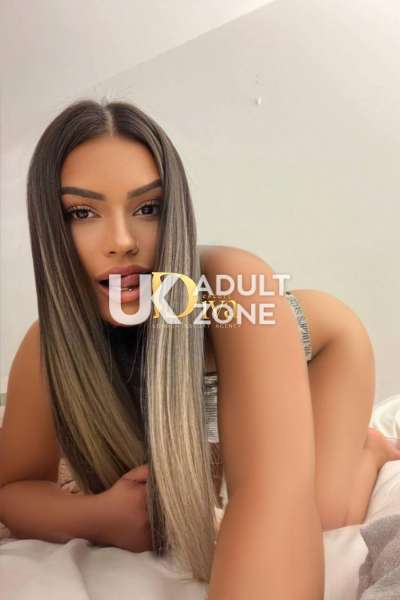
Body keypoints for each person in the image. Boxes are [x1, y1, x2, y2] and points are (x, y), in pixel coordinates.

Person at [1, 99, 399, 600]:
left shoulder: (232, 286)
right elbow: (12, 489)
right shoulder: (48, 346)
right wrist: (97, 516)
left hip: (318, 352)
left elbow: (270, 497)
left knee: (323, 514)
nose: (122, 241)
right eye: (82, 212)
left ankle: (369, 449)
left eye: (147, 208)